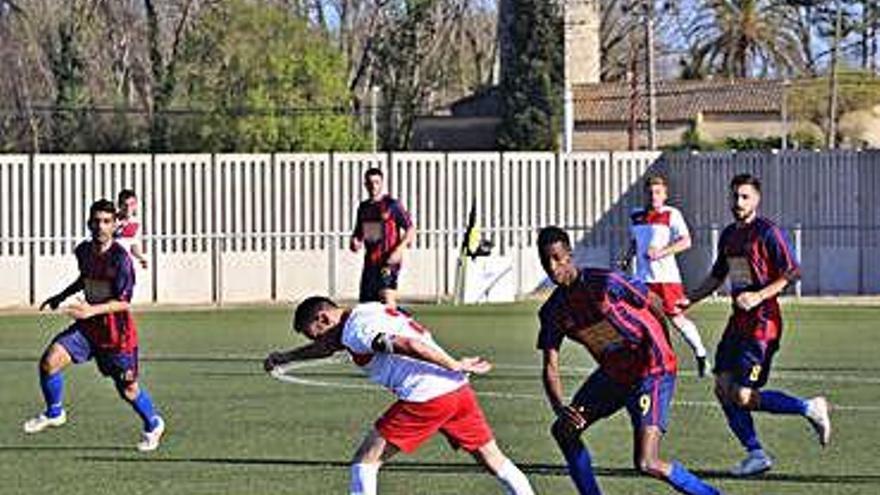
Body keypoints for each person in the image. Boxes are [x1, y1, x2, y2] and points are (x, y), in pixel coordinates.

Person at [264, 297, 534, 495]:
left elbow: (408, 344)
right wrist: (286, 357)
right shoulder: (366, 309)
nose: (318, 341)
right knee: (492, 458)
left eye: (316, 334)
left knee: (365, 461)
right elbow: (327, 347)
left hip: (428, 396)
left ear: (323, 318)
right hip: (457, 390)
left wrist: (453, 363)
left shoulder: (356, 331)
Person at [536, 226, 719, 495]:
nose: (552, 267)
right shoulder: (553, 310)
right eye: (545, 260)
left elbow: (653, 300)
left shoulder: (606, 282)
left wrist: (662, 343)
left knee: (647, 462)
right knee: (564, 430)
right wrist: (559, 407)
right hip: (614, 375)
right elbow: (550, 365)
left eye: (556, 258)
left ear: (569, 255)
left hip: (652, 370)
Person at [679, 173, 831, 476]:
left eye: (744, 197)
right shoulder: (728, 236)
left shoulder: (767, 232)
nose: (738, 202)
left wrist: (759, 296)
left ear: (757, 199)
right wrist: (689, 300)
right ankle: (756, 454)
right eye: (735, 196)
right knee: (723, 388)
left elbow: (791, 272)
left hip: (763, 325)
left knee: (743, 396)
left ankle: (809, 407)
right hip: (738, 324)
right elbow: (716, 275)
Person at [23, 199, 165, 452]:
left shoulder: (121, 260)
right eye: (96, 221)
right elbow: (85, 279)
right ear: (89, 223)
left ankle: (153, 424)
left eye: (106, 222)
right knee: (49, 361)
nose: (101, 226)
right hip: (89, 329)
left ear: (114, 226)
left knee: (128, 390)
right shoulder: (84, 251)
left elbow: (123, 303)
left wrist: (91, 309)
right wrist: (61, 296)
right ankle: (55, 412)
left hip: (117, 335)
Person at [626, 175, 709, 376]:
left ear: (665, 195)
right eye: (650, 192)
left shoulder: (671, 214)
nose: (653, 196)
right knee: (642, 321)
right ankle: (654, 362)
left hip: (666, 279)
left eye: (658, 192)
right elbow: (635, 242)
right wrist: (627, 258)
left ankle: (701, 354)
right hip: (643, 280)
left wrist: (661, 252)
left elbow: (686, 241)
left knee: (676, 319)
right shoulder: (636, 215)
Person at [350, 168, 415, 309]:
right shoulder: (364, 207)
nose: (373, 186)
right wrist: (355, 241)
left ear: (382, 183)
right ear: (365, 184)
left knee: (386, 298)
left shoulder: (392, 205)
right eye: (370, 183)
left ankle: (396, 327)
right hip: (370, 262)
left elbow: (410, 229)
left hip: (388, 261)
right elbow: (359, 233)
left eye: (376, 182)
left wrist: (399, 250)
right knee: (367, 304)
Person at [115, 189, 148, 270]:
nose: (128, 208)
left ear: (135, 205)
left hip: (125, 264)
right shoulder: (110, 220)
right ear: (119, 205)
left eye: (132, 204)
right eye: (125, 205)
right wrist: (117, 228)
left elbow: (133, 244)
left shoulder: (135, 223)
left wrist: (141, 257)